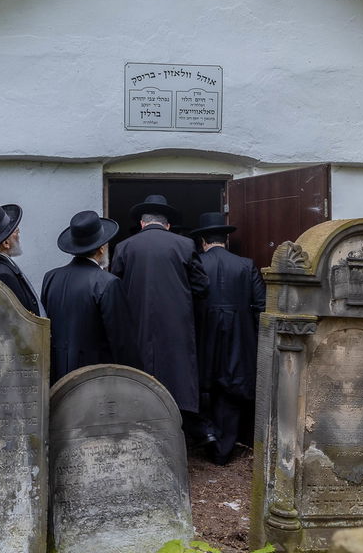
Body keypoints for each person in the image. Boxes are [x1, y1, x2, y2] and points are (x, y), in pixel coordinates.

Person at [110, 194, 209, 445]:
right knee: (177, 377)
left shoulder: (124, 247)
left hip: (137, 324)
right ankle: (176, 436)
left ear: (142, 223)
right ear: (168, 224)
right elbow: (202, 286)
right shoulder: (185, 245)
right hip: (176, 325)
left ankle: (142, 435)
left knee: (140, 377)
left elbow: (114, 288)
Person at [189, 212, 265, 464]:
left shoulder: (196, 264)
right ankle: (223, 451)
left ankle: (207, 433)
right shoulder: (246, 265)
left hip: (203, 336)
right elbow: (261, 306)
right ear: (226, 239)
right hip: (238, 338)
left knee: (201, 386)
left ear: (202, 241)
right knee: (232, 392)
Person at [40, 210, 137, 383]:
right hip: (94, 379)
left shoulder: (51, 277)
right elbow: (122, 342)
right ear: (102, 248)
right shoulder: (108, 282)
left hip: (56, 376)